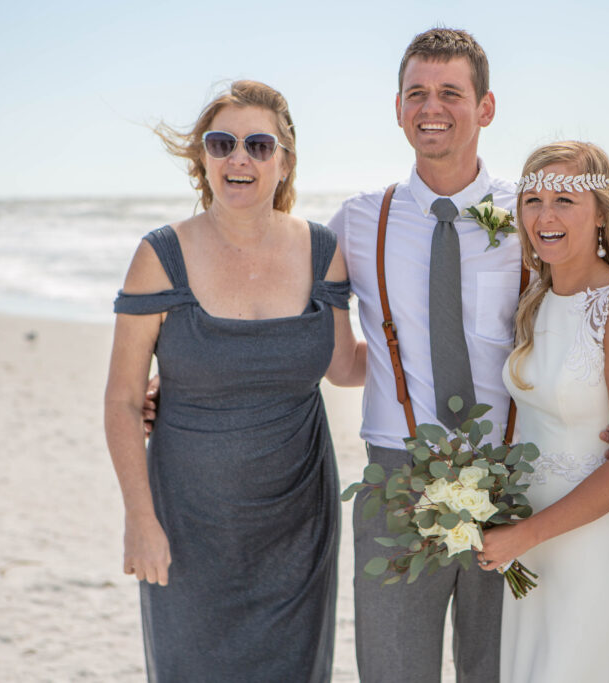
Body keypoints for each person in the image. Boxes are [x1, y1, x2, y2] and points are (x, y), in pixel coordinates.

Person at [104, 80, 364, 681]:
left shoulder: (322, 250)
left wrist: (422, 349)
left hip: (299, 520)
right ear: (203, 158)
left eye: (258, 144)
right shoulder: (159, 256)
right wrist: (139, 520)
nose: (239, 158)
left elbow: (344, 365)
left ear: (284, 159)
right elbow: (122, 402)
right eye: (221, 144)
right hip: (187, 520)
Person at [327, 28, 520, 683]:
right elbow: (281, 314)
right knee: (392, 669)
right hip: (395, 478)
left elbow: (590, 324)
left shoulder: (532, 216)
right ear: (398, 107)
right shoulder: (356, 221)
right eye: (417, 92)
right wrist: (174, 381)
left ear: (485, 108)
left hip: (514, 479)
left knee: (500, 669)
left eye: (449, 93)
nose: (430, 106)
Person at [478, 141, 609, 682]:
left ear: (600, 213)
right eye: (532, 200)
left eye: (564, 199)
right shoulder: (535, 299)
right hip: (529, 543)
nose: (545, 215)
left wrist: (524, 536)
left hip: (594, 544)